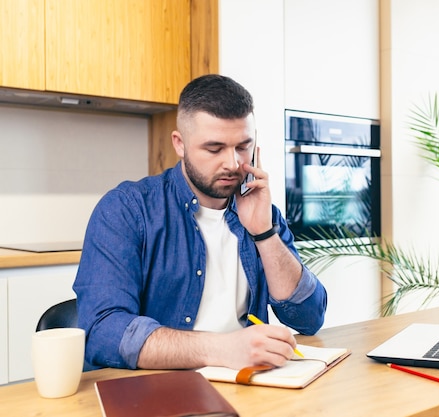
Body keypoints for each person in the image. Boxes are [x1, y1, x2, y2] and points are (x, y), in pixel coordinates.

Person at [73, 74, 327, 371]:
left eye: (243, 147)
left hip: (249, 385)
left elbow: (310, 319)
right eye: (214, 148)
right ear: (180, 144)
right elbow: (103, 332)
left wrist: (265, 233)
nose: (233, 163)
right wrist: (223, 349)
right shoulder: (127, 210)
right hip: (158, 391)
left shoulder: (261, 212)